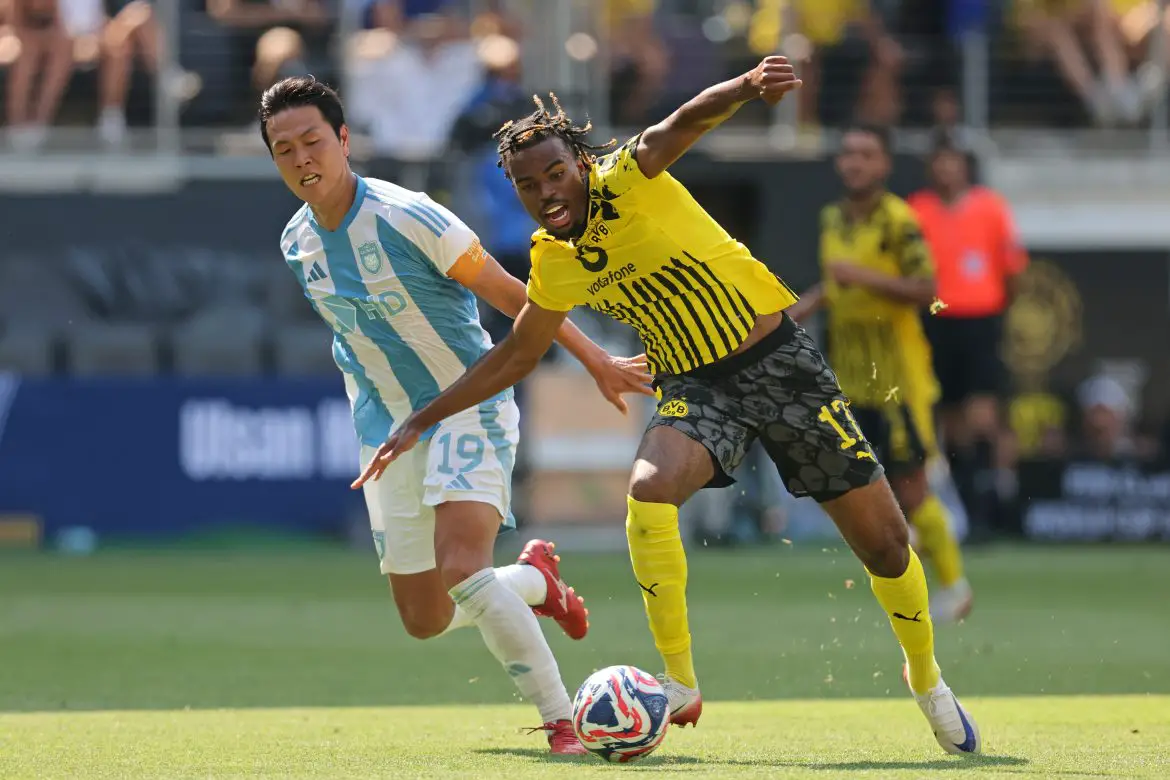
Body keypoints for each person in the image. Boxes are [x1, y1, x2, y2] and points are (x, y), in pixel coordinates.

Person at [352, 58, 982, 755]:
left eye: (555, 172)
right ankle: (680, 682)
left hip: (778, 366)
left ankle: (927, 680)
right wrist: (420, 419)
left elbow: (678, 124)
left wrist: (745, 87)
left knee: (886, 545)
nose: (545, 192)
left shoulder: (628, 178)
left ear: (582, 163)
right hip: (695, 385)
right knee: (648, 493)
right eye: (527, 185)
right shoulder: (553, 260)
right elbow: (514, 356)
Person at [260, 75, 652, 755]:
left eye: (312, 141)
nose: (301, 159)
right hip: (388, 434)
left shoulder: (408, 214)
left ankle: (562, 721)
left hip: (469, 403)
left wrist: (594, 360)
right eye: (284, 149)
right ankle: (535, 582)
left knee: (464, 566)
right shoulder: (298, 242)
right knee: (425, 618)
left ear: (344, 139)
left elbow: (517, 296)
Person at [786, 125, 973, 625]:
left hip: (897, 381)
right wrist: (793, 315)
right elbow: (835, 283)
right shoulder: (833, 218)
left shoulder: (898, 221)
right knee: (869, 487)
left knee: (912, 486)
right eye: (847, 153)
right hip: (851, 378)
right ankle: (910, 555)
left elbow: (929, 290)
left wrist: (862, 276)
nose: (854, 163)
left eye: (866, 154)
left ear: (884, 165)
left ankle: (955, 587)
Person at [908, 133, 1028, 539]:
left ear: (965, 166)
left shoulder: (990, 208)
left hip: (980, 320)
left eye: (953, 160)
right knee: (952, 420)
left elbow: (1012, 270)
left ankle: (1000, 504)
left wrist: (995, 309)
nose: (946, 168)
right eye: (939, 161)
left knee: (983, 416)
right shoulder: (917, 210)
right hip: (937, 320)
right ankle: (972, 514)